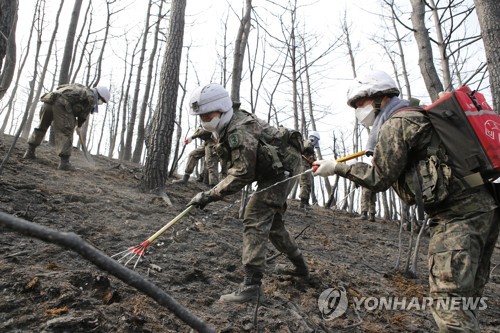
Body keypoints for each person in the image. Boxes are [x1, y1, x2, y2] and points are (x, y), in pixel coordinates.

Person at [312, 70, 499, 332]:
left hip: (458, 216)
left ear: (379, 98)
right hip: (484, 207)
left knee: (449, 304)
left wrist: (337, 168)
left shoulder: (396, 123)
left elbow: (378, 178)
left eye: (360, 104)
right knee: (466, 298)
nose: (358, 111)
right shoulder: (418, 115)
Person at [186, 83, 309, 303]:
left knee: (254, 216)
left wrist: (209, 195)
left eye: (208, 114)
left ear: (222, 108)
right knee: (274, 225)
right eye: (201, 116)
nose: (204, 119)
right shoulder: (223, 129)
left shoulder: (238, 130)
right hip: (273, 169)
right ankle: (301, 268)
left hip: (284, 169)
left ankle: (252, 286)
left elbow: (242, 174)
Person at [23, 84, 110, 171]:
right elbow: (83, 115)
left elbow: (60, 89)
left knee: (42, 126)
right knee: (66, 132)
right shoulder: (91, 96)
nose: (99, 102)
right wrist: (79, 126)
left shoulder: (79, 87)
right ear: (98, 95)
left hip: (49, 100)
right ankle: (64, 163)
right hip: (61, 104)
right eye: (101, 101)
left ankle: (29, 152)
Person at [299, 131, 319, 209]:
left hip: (308, 167)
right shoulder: (307, 143)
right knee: (304, 183)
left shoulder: (311, 148)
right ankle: (302, 203)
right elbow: (306, 147)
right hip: (303, 166)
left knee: (308, 184)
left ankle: (306, 202)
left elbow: (314, 159)